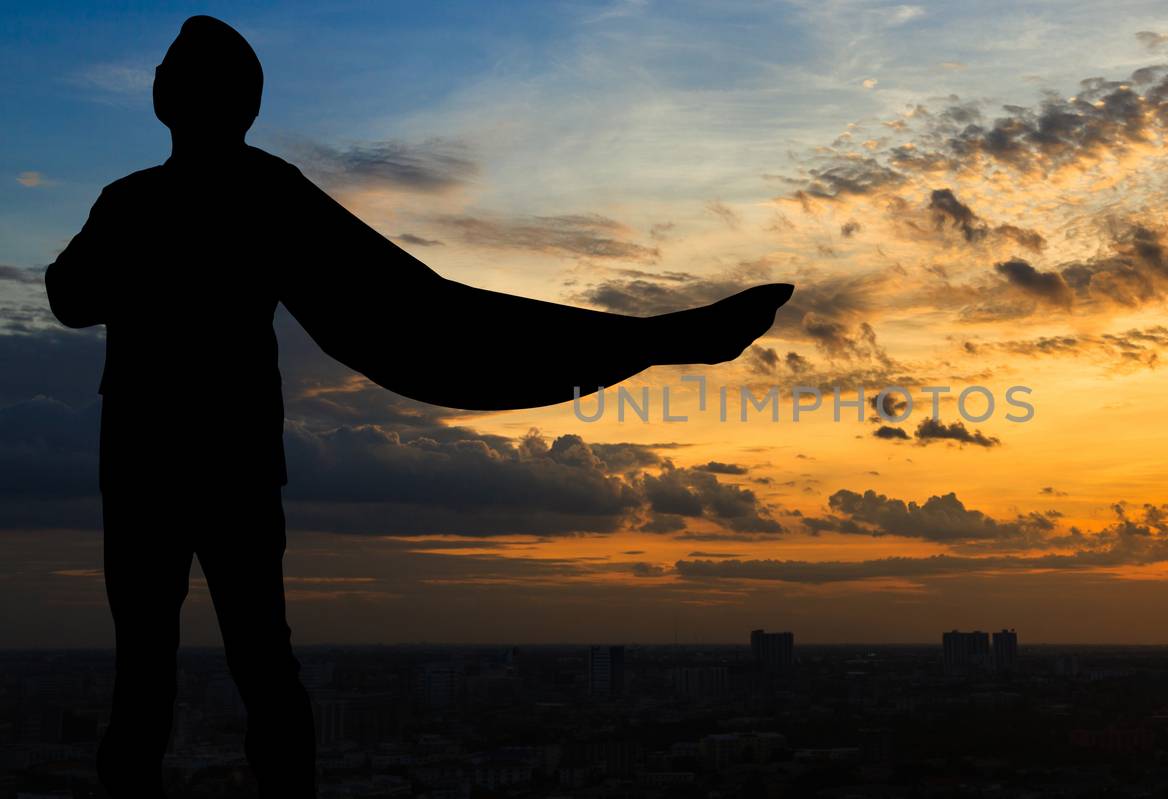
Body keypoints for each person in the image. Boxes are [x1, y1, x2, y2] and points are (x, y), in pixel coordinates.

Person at [44, 15, 792, 798]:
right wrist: (655, 338)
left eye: (173, 69)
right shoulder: (196, 196)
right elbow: (409, 308)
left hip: (168, 463)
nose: (164, 77)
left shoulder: (156, 200)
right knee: (236, 668)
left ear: (175, 95)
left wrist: (650, 338)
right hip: (198, 462)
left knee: (193, 671)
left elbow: (414, 310)